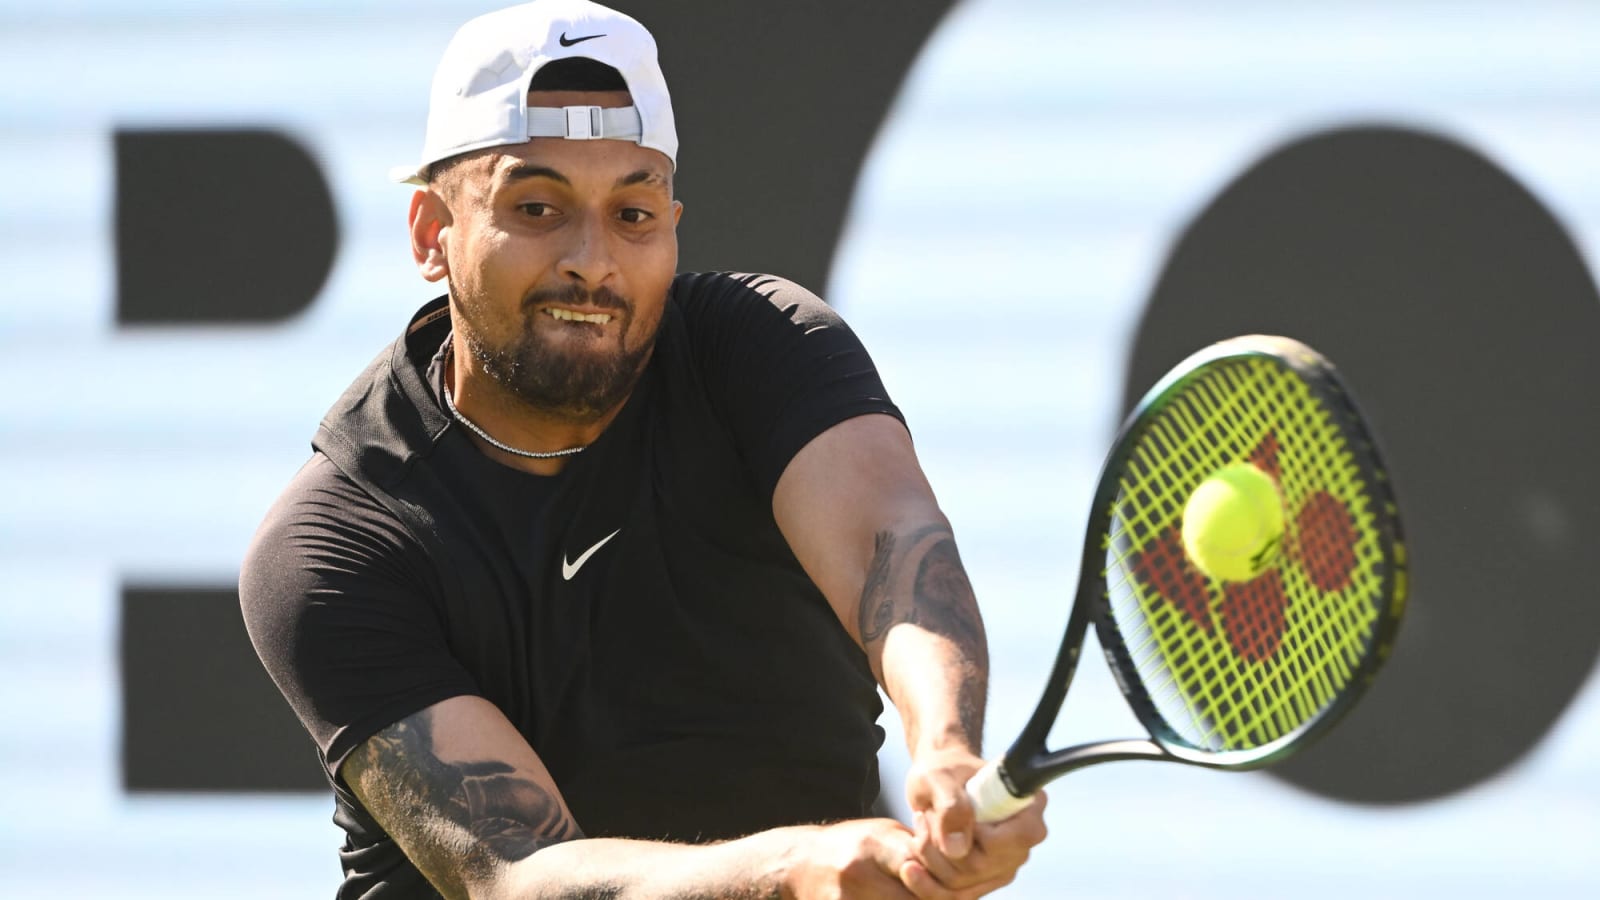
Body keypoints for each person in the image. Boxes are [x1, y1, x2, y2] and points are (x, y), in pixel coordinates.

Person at [240, 1, 1047, 897]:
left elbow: (892, 544)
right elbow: (521, 875)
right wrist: (796, 873)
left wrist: (944, 749)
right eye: (538, 206)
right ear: (434, 232)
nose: (593, 259)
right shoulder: (331, 546)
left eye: (634, 212)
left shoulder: (761, 346)